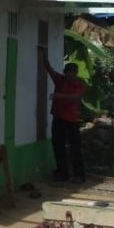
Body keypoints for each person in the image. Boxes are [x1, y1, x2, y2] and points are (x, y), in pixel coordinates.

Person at [40, 47, 87, 183]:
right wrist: (44, 55)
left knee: (75, 148)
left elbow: (75, 97)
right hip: (58, 118)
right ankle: (62, 173)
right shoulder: (59, 80)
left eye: (72, 73)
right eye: (68, 72)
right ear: (65, 72)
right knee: (58, 146)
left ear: (76, 73)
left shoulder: (78, 85)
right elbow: (48, 68)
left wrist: (58, 96)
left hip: (71, 121)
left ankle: (79, 175)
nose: (70, 75)